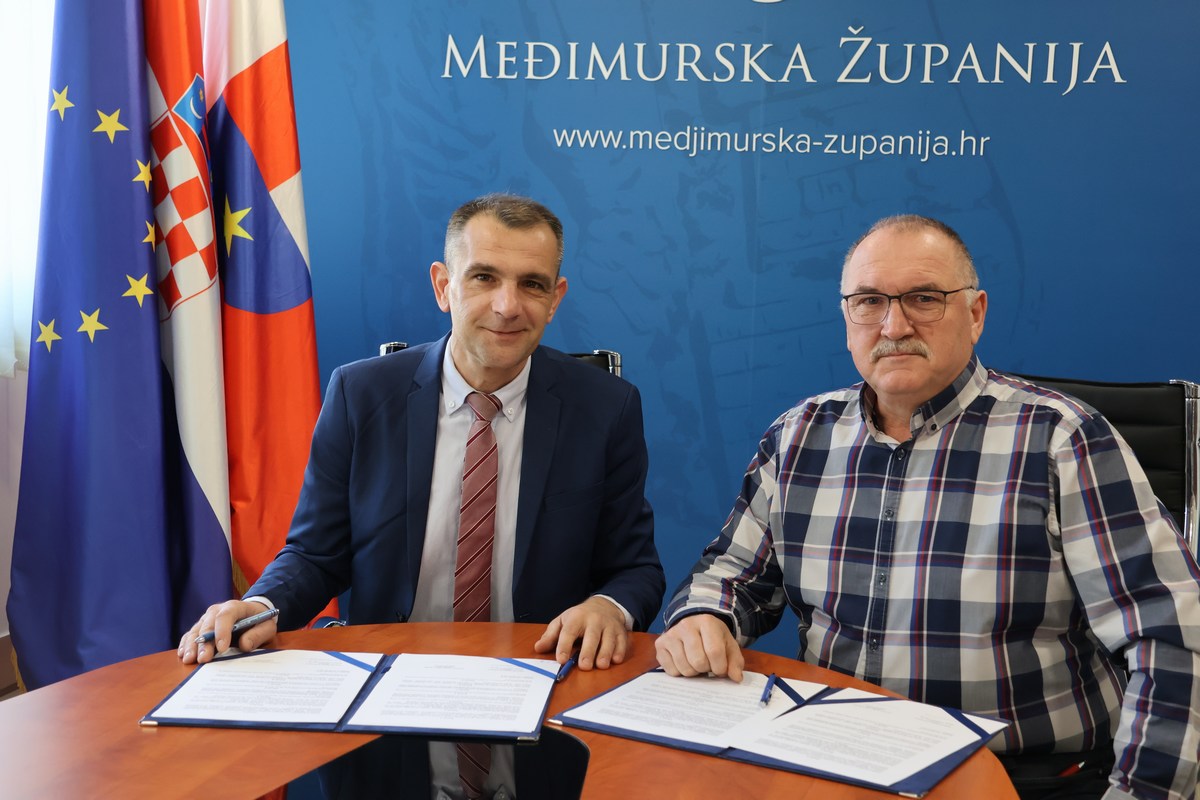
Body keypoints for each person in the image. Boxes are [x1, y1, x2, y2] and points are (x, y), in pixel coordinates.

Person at [655, 215, 1200, 800]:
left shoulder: (1061, 439)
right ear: (847, 319)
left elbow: (1172, 632)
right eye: (869, 301)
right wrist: (704, 616)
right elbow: (731, 574)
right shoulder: (798, 436)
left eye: (923, 298)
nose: (893, 326)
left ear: (976, 314)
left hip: (1020, 776)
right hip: (833, 762)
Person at [179, 193, 664, 799]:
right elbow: (315, 554)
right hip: (391, 709)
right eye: (483, 277)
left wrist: (609, 607)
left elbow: (636, 569)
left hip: (544, 706)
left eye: (532, 284)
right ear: (443, 285)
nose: (507, 306)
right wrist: (262, 603)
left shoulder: (606, 408)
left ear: (555, 298)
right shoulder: (361, 395)